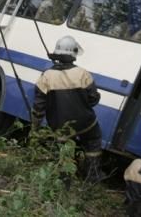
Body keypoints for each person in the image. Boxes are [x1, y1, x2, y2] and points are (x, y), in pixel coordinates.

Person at [31, 35, 104, 182]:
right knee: (93, 141)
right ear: (73, 55)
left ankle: (64, 179)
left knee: (62, 150)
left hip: (60, 126)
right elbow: (93, 99)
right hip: (86, 123)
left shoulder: (46, 76)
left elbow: (39, 107)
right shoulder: (83, 74)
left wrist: (35, 128)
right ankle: (92, 175)